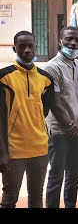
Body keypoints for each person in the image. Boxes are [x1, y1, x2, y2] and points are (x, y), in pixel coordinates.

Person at [0, 31, 55, 208]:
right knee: (9, 199)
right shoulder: (4, 77)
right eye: (22, 46)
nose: (27, 50)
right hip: (13, 151)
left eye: (30, 45)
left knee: (36, 198)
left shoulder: (45, 79)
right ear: (15, 48)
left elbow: (44, 110)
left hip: (39, 149)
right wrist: (2, 153)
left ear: (36, 47)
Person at [43, 26, 78, 208]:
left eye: (77, 40)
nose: (73, 43)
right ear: (60, 41)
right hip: (59, 132)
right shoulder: (51, 67)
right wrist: (72, 128)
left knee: (73, 175)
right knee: (56, 175)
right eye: (69, 39)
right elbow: (55, 103)